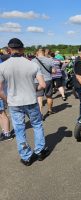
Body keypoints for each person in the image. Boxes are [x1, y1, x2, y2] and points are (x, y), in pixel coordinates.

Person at [0, 38, 49, 166]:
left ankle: (26, 156)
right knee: (37, 125)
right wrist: (33, 89)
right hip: (31, 100)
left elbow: (0, 90)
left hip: (14, 103)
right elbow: (42, 84)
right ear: (22, 49)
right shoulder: (32, 64)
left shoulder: (2, 66)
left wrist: (7, 100)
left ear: (9, 49)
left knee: (19, 129)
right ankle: (40, 151)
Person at [32, 48, 55, 117]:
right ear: (44, 52)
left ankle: (40, 113)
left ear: (37, 53)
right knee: (49, 96)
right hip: (48, 80)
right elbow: (54, 71)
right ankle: (50, 110)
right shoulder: (50, 60)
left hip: (37, 81)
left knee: (39, 98)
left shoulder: (33, 61)